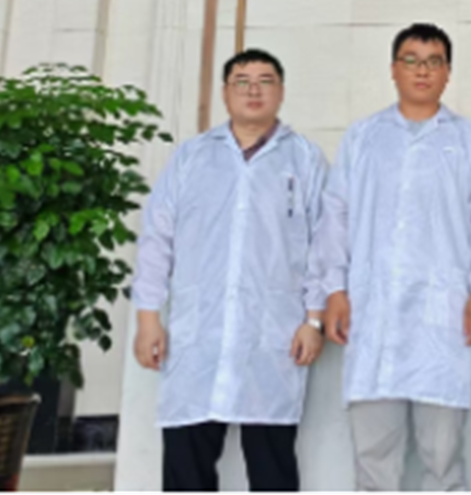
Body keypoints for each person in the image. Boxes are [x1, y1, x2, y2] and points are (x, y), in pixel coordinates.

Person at [316, 22, 471, 491]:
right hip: (372, 316)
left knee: (443, 459)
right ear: (393, 69)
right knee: (373, 460)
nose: (422, 71)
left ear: (447, 73)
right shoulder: (364, 137)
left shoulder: (469, 139)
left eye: (433, 62)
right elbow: (336, 214)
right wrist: (335, 289)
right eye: (411, 60)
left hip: (442, 317)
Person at [131, 48, 329, 492]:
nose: (253, 90)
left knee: (273, 469)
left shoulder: (305, 159)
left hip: (273, 336)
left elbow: (325, 246)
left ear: (281, 91)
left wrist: (314, 319)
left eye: (265, 80)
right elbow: (157, 239)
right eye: (242, 81)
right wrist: (148, 317)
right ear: (225, 92)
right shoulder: (192, 157)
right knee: (186, 466)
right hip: (197, 335)